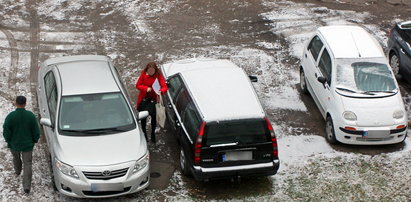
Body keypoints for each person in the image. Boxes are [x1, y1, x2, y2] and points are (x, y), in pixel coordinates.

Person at [3, 96, 40, 194]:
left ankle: (18, 171)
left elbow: (6, 130)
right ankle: (27, 186)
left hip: (14, 144)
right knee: (27, 163)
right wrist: (34, 140)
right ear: (25, 103)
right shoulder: (30, 116)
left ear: (16, 103)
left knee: (16, 158)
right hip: (27, 145)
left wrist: (8, 140)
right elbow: (36, 131)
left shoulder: (11, 116)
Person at [136, 62, 168, 143]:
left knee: (154, 118)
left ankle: (153, 133)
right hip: (144, 99)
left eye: (152, 71)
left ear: (155, 70)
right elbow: (138, 85)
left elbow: (165, 87)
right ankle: (144, 134)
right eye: (149, 70)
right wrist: (146, 88)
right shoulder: (143, 74)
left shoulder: (158, 75)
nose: (151, 72)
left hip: (154, 100)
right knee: (143, 118)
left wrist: (161, 91)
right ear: (147, 69)